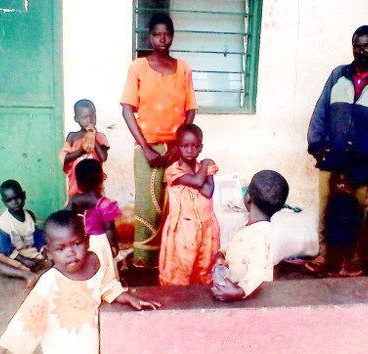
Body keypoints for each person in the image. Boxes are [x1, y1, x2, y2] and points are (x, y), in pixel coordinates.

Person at [0, 210, 160, 354]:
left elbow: (106, 285)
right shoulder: (49, 281)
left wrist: (128, 297)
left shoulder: (94, 262)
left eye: (77, 244)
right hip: (62, 347)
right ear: (49, 253)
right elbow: (28, 319)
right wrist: (12, 349)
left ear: (87, 242)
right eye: (61, 249)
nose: (71, 253)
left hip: (90, 343)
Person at [306, 25, 368, 275]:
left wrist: (365, 151)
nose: (361, 50)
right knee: (327, 210)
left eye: (367, 45)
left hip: (362, 162)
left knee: (359, 213)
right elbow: (321, 111)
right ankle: (325, 256)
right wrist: (315, 143)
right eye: (357, 45)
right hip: (332, 158)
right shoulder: (338, 76)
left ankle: (352, 262)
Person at [120, 13, 197, 267]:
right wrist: (147, 149)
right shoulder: (138, 67)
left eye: (167, 34)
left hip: (178, 149)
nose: (162, 39)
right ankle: (144, 259)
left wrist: (177, 146)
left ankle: (170, 258)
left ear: (172, 36)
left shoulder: (183, 68)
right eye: (157, 34)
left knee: (175, 204)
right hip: (147, 148)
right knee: (147, 206)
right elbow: (127, 111)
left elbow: (190, 110)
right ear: (149, 37)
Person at [211, 170, 289, 301]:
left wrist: (240, 291)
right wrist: (222, 253)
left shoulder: (260, 234)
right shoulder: (252, 226)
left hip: (252, 297)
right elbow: (237, 243)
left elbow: (258, 271)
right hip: (239, 288)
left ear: (247, 197)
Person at [159, 124, 220, 285]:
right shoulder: (173, 171)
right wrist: (207, 165)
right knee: (182, 268)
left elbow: (207, 191)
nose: (190, 150)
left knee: (204, 266)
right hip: (183, 230)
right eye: (185, 146)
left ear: (201, 147)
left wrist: (207, 171)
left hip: (206, 228)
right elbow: (198, 181)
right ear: (177, 147)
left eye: (194, 146)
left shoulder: (201, 168)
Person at [0, 180, 48, 287]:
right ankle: (26, 274)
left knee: (50, 257)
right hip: (11, 255)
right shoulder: (3, 224)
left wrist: (43, 250)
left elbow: (37, 237)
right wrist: (24, 260)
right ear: (4, 202)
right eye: (9, 200)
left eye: (17, 197)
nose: (15, 202)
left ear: (23, 195)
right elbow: (4, 249)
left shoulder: (29, 215)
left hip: (29, 252)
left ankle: (27, 268)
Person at [66, 158, 121, 261]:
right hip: (100, 243)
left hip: (80, 242)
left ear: (78, 182)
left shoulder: (75, 200)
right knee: (102, 268)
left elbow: (66, 217)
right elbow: (110, 229)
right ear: (101, 179)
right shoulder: (106, 204)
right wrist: (114, 246)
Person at [60, 99, 109, 198]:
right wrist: (81, 151)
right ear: (76, 118)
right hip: (76, 183)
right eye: (84, 117)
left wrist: (92, 137)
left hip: (95, 184)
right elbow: (64, 158)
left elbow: (103, 157)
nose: (89, 120)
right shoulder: (72, 136)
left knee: (95, 207)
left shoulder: (100, 137)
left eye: (92, 116)